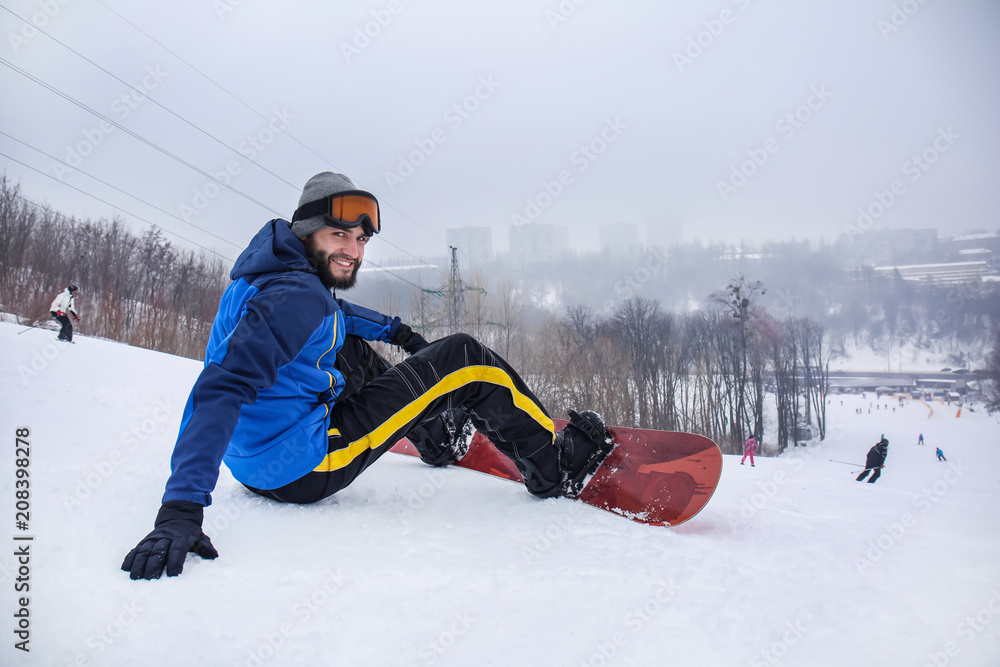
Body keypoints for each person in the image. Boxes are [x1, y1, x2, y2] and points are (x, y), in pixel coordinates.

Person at [121, 172, 614, 580]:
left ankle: (436, 439)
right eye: (340, 235)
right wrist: (181, 509)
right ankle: (556, 470)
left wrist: (399, 332)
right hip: (303, 468)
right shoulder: (294, 297)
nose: (353, 250)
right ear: (307, 231)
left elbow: (335, 316)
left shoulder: (269, 274)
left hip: (256, 464)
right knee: (466, 356)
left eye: (360, 239)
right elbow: (221, 388)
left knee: (349, 347)